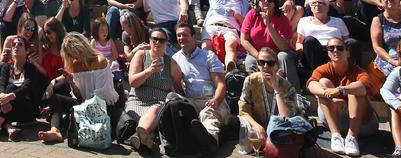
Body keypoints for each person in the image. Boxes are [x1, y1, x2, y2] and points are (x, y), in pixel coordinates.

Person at [37, 32, 119, 144]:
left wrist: (82, 105)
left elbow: (102, 96)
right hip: (83, 103)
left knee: (70, 113)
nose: (75, 58)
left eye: (76, 54)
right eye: (71, 55)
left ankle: (68, 122)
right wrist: (70, 83)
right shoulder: (74, 64)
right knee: (55, 98)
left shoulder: (100, 61)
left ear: (83, 48)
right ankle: (55, 131)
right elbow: (79, 96)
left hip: (102, 106)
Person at [171, 23, 231, 153]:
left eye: (185, 35)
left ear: (194, 37)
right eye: (178, 35)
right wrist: (183, 99)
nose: (181, 38)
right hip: (191, 101)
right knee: (172, 100)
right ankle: (178, 144)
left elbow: (220, 84)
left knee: (206, 113)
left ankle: (211, 142)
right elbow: (176, 84)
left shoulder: (208, 56)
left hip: (213, 99)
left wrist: (216, 100)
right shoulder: (175, 59)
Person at [308, 36, 371, 157]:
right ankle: (335, 136)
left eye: (340, 48)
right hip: (337, 116)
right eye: (331, 48)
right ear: (328, 53)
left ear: (347, 53)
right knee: (323, 83)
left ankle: (352, 138)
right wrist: (328, 94)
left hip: (363, 122)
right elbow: (311, 85)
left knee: (354, 88)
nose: (335, 51)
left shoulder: (358, 71)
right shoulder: (323, 69)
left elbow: (365, 86)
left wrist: (339, 90)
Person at [239, 46, 302, 157]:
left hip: (280, 129)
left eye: (270, 63)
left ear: (277, 66)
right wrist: (257, 126)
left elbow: (286, 117)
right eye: (261, 62)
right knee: (243, 124)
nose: (265, 66)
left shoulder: (287, 87)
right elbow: (243, 110)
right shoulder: (250, 81)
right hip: (258, 127)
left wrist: (276, 89)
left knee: (277, 152)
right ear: (258, 65)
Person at [125, 26, 180, 153]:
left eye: (161, 40)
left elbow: (177, 84)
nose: (157, 42)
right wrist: (149, 71)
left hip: (159, 104)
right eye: (154, 39)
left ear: (166, 44)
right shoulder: (141, 55)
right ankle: (146, 137)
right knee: (152, 116)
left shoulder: (170, 62)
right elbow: (133, 82)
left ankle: (140, 137)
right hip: (138, 101)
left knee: (156, 109)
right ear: (149, 41)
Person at [0, 35, 47, 140]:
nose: (16, 46)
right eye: (13, 44)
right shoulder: (6, 67)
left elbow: (27, 87)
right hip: (8, 109)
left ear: (27, 51)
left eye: (20, 44)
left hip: (26, 110)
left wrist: (10, 96)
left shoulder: (30, 68)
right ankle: (9, 128)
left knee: (11, 88)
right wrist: (3, 96)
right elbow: (2, 84)